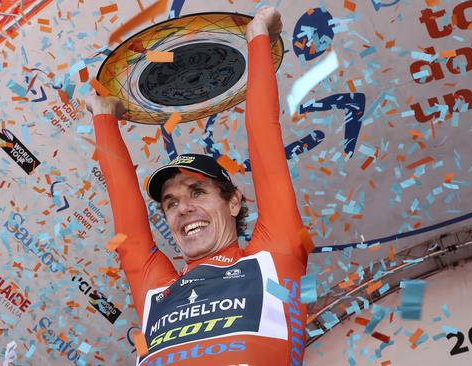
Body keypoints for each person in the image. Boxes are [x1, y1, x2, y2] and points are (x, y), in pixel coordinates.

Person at [88, 7, 310, 366]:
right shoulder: (157, 291)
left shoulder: (273, 257)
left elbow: (265, 141)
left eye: (197, 192)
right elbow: (128, 225)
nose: (183, 208)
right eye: (170, 203)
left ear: (234, 202)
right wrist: (103, 117)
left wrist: (256, 39)